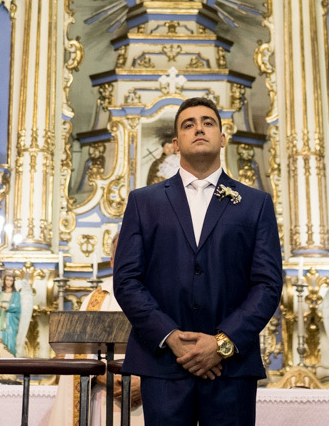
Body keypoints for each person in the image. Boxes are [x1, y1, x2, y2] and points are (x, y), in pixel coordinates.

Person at [114, 97, 283, 425]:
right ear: (176, 143)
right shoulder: (143, 202)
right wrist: (171, 337)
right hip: (162, 363)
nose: (199, 128)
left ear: (223, 137)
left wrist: (222, 343)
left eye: (207, 122)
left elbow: (267, 283)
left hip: (231, 367)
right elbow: (127, 280)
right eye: (188, 124)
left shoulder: (255, 203)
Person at [46, 234, 143, 426]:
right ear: (113, 262)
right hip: (104, 399)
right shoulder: (95, 302)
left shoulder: (165, 297)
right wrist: (107, 378)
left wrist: (144, 384)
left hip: (152, 397)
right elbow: (78, 356)